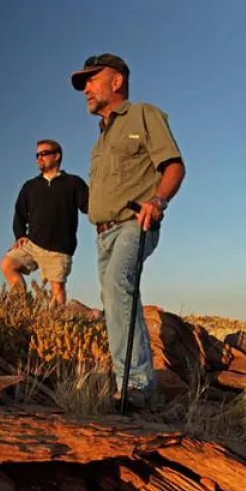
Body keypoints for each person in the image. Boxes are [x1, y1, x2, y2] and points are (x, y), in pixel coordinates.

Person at [70, 53, 186, 409]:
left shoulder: (143, 115)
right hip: (102, 233)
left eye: (92, 79)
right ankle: (128, 382)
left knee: (118, 285)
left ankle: (137, 385)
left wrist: (157, 201)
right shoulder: (101, 138)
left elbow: (174, 167)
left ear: (116, 81)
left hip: (135, 222)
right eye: (84, 83)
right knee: (113, 297)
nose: (86, 88)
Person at [0, 140, 89, 305]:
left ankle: (56, 326)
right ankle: (23, 307)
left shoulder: (73, 183)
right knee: (7, 264)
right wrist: (19, 235)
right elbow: (19, 213)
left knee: (57, 291)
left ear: (57, 156)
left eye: (44, 153)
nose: (39, 158)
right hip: (32, 243)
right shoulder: (30, 186)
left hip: (59, 248)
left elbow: (90, 206)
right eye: (37, 155)